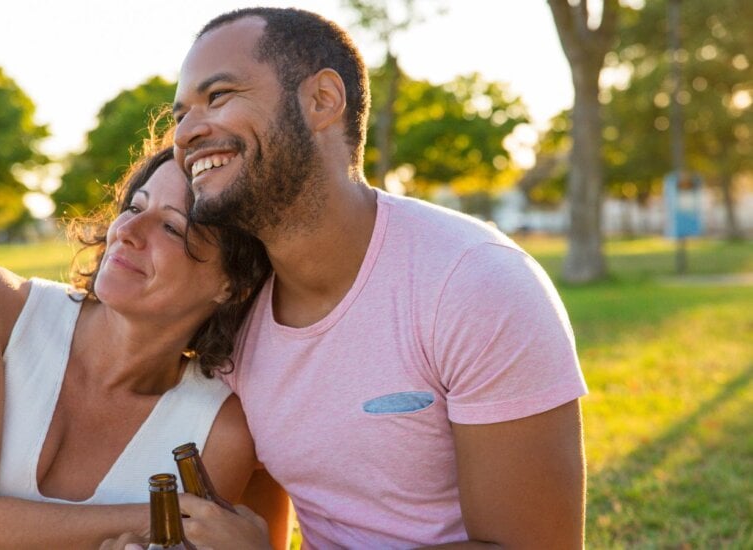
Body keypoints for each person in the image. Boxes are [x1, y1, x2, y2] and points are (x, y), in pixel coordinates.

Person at [165, 7, 589, 549]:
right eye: (181, 114)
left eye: (217, 95)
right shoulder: (233, 314)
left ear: (322, 101)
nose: (187, 133)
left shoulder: (475, 283)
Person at [0, 146, 288, 549]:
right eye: (135, 206)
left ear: (233, 284)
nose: (129, 231)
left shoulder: (218, 430)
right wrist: (167, 515)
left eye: (173, 227)